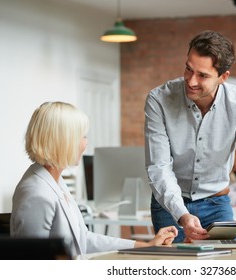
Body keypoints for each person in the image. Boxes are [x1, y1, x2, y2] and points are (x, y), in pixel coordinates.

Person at [144, 30, 236, 243]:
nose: (191, 81)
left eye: (202, 75)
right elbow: (159, 166)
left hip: (216, 204)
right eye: (188, 69)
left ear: (223, 77)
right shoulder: (159, 99)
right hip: (169, 206)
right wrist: (182, 215)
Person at [11, 102, 177, 257]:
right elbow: (34, 262)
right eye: (82, 136)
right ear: (63, 141)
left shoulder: (54, 182)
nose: (86, 143)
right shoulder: (37, 194)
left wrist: (145, 246)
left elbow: (83, 239)